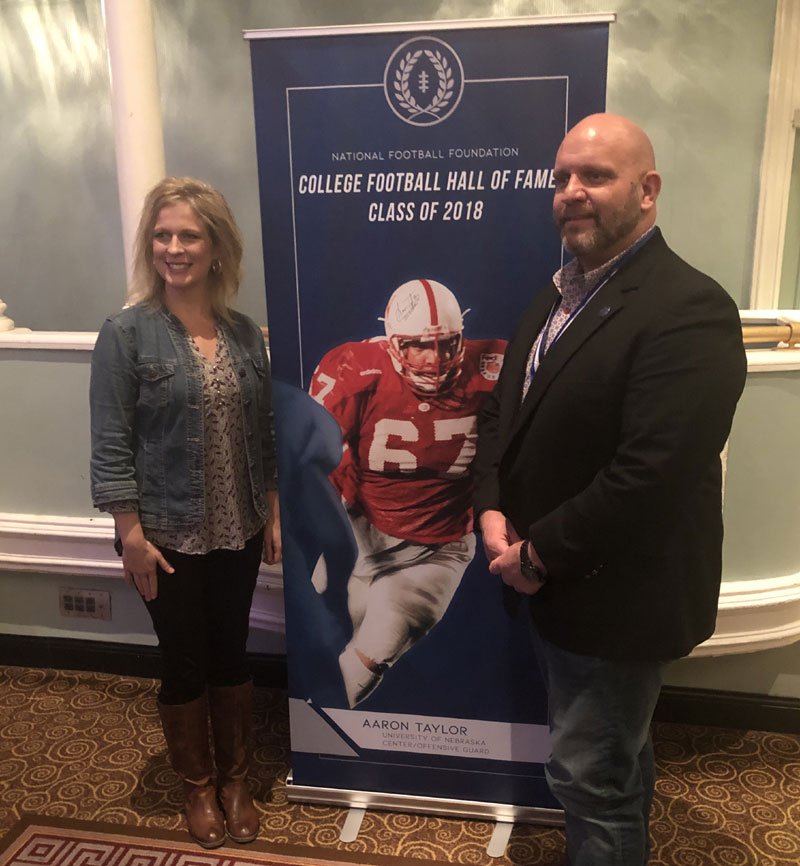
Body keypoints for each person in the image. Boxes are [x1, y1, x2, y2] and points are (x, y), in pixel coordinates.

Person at [473, 115, 746, 866]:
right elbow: (504, 409)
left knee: (590, 777)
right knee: (609, 765)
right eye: (561, 178)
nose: (571, 193)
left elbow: (651, 473)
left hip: (615, 595)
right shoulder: (561, 291)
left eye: (595, 176)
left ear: (648, 191)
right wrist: (491, 504)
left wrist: (538, 555)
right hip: (545, 579)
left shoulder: (690, 308)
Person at [89, 177, 281, 848]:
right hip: (164, 536)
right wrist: (130, 536)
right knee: (184, 660)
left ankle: (235, 780)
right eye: (163, 234)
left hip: (240, 526)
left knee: (232, 652)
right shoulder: (127, 333)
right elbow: (111, 442)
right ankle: (197, 788)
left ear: (217, 246)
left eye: (189, 235)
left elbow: (263, 433)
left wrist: (273, 510)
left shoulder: (241, 334)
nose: (174, 247)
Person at [309, 279, 506, 707]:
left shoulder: (493, 368)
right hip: (361, 530)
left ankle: (331, 732)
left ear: (462, 337)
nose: (434, 361)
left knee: (369, 654)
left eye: (447, 345)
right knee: (321, 628)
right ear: (393, 342)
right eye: (419, 346)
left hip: (439, 547)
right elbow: (316, 458)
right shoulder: (356, 371)